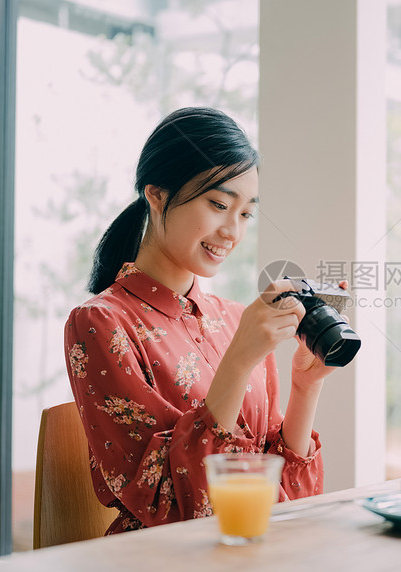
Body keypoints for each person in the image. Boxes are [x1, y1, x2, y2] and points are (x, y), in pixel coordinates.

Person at [63, 107, 337, 534]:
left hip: (255, 552)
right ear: (156, 195)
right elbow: (172, 504)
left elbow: (283, 495)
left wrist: (306, 386)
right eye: (218, 204)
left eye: (245, 214)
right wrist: (239, 359)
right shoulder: (100, 323)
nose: (233, 230)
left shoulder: (236, 319)